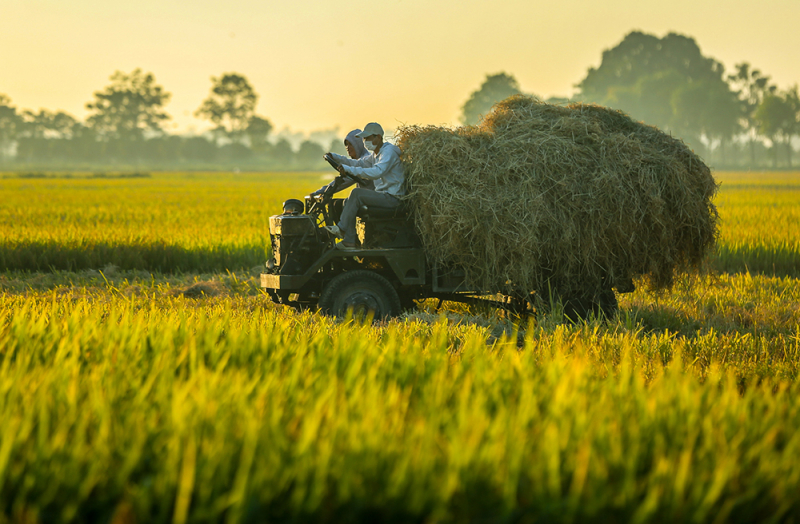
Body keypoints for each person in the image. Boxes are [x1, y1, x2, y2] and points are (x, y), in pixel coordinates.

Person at [323, 122, 405, 249]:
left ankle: (341, 229)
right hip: (384, 195)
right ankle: (349, 241)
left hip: (393, 198)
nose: (365, 141)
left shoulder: (388, 152)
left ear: (378, 137)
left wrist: (348, 170)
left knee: (356, 193)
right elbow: (357, 164)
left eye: (367, 138)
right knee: (347, 202)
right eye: (364, 138)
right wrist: (335, 157)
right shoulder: (375, 155)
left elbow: (377, 172)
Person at [311, 129, 375, 223]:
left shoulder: (365, 160)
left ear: (359, 144)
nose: (348, 147)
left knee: (337, 205)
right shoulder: (359, 160)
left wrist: (319, 192)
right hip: (363, 198)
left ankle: (346, 231)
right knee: (334, 204)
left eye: (351, 144)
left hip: (371, 198)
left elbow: (344, 181)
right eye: (346, 144)